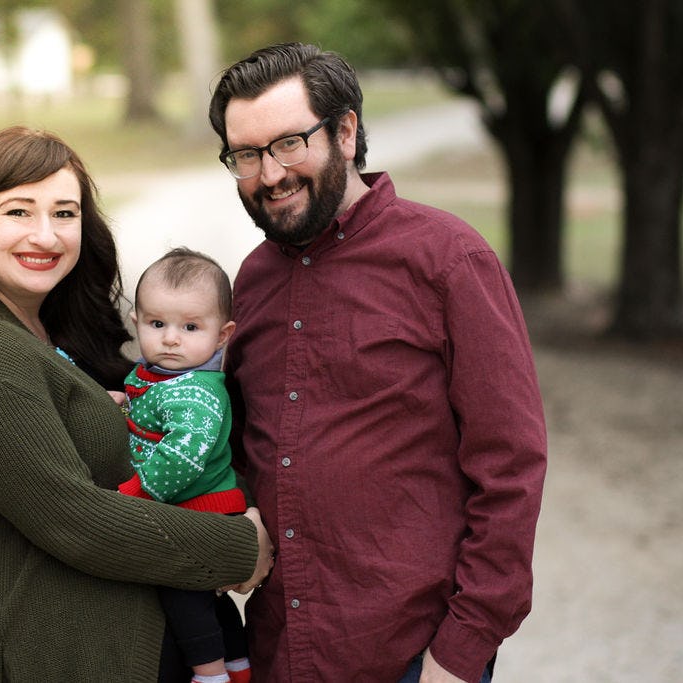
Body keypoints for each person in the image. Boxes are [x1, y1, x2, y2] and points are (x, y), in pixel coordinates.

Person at [0, 126, 273, 681]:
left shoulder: (31, 327)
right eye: (19, 212)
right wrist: (240, 546)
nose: (46, 236)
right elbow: (74, 520)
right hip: (44, 659)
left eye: (65, 213)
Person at [207, 43, 548, 683]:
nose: (269, 173)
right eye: (245, 155)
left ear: (345, 131)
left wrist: (461, 652)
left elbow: (511, 469)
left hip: (411, 658)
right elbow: (238, 448)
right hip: (281, 651)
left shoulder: (449, 260)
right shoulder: (250, 281)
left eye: (287, 143)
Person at [116, 247, 252, 683]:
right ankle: (237, 661)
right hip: (188, 504)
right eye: (158, 324)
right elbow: (145, 417)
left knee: (180, 591)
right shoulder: (158, 376)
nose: (171, 338)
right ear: (137, 322)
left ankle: (209, 675)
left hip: (203, 505)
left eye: (190, 327)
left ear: (221, 335)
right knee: (210, 599)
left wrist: (132, 496)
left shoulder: (196, 392)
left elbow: (180, 457)